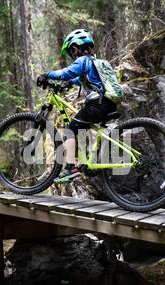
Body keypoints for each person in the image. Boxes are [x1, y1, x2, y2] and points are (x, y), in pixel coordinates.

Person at [36, 29, 117, 183]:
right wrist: (67, 85)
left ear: (75, 48)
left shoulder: (82, 60)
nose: (71, 55)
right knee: (82, 127)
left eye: (71, 51)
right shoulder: (93, 62)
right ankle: (87, 164)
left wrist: (47, 75)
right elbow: (79, 79)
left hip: (96, 105)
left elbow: (66, 73)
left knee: (70, 130)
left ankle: (71, 168)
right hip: (107, 103)